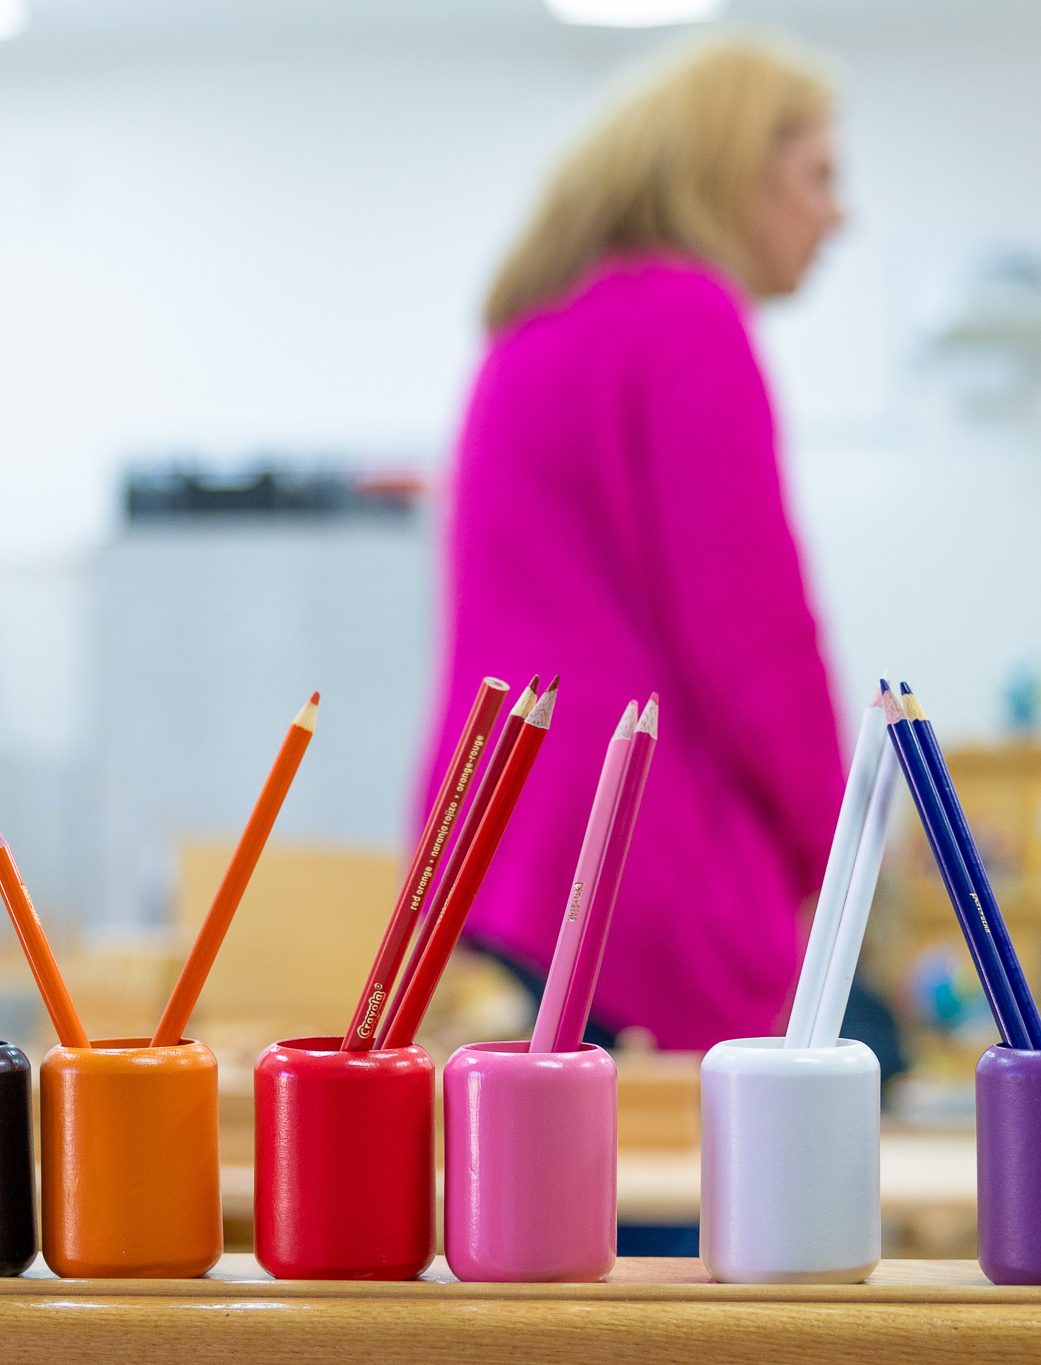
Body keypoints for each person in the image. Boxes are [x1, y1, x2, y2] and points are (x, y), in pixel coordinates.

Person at [416, 39, 854, 1054]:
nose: (840, 216)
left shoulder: (530, 332)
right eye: (819, 176)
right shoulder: (688, 318)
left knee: (534, 1160)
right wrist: (845, 849)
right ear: (735, 168)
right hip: (635, 878)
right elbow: (754, 639)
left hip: (494, 853)